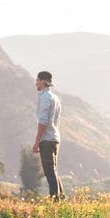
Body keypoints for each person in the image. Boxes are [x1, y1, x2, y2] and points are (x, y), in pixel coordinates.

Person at [33, 69, 64, 200]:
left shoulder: (45, 97)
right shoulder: (55, 98)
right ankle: (61, 197)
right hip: (55, 138)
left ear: (43, 82)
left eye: (37, 81)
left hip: (47, 139)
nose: (36, 84)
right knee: (53, 170)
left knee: (49, 171)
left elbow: (43, 121)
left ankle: (55, 199)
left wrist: (36, 141)